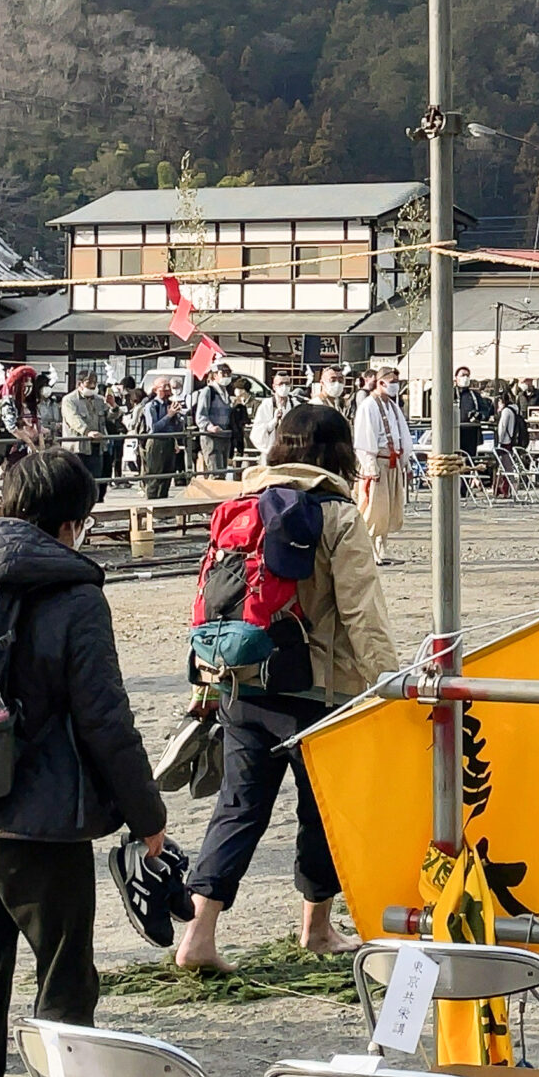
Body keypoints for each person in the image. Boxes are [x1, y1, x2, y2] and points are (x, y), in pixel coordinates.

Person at [0, 450, 160, 1077]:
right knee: (64, 974)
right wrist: (147, 814)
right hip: (41, 820)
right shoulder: (76, 594)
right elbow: (105, 718)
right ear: (72, 522)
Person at [177, 404, 399, 970]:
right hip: (316, 689)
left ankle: (198, 936)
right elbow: (362, 614)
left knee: (239, 806)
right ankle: (317, 929)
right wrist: (389, 686)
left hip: (243, 680)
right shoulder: (338, 514)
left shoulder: (242, 502)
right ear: (339, 454)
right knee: (321, 809)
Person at [352, 371, 412, 562]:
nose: (395, 385)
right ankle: (369, 550)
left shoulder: (393, 406)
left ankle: (382, 549)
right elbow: (363, 439)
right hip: (377, 462)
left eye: (397, 382)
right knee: (373, 509)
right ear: (380, 382)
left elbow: (401, 434)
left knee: (389, 508)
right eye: (391, 382)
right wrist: (370, 466)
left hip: (393, 461)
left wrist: (406, 462)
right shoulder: (368, 406)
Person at [62, 371, 113, 486]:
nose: (92, 385)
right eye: (89, 382)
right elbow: (73, 419)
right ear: (80, 383)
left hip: (96, 446)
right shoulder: (69, 400)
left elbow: (110, 417)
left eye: (95, 382)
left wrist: (113, 406)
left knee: (95, 480)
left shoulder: (99, 400)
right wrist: (87, 431)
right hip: (77, 447)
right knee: (77, 481)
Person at [140, 377, 185, 500]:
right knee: (155, 477)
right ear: (155, 390)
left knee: (167, 477)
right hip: (156, 442)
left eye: (168, 387)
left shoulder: (170, 405)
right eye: (164, 387)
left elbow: (177, 428)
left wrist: (178, 416)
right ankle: (152, 506)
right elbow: (153, 428)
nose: (167, 390)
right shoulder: (151, 406)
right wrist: (169, 415)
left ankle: (163, 507)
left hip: (169, 441)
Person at [192, 366, 234, 475]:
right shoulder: (208, 391)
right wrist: (209, 426)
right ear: (215, 375)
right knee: (215, 472)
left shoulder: (226, 393)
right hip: (211, 437)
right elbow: (200, 415)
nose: (226, 376)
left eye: (228, 373)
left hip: (224, 436)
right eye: (223, 373)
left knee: (223, 471)